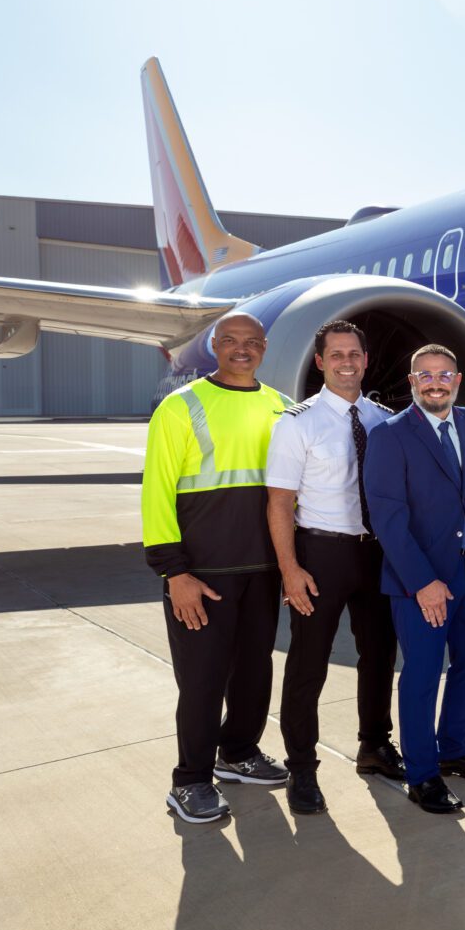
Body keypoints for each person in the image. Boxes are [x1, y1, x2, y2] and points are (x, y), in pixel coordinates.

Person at [142, 313, 293, 825]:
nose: (241, 350)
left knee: (254, 672)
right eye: (230, 341)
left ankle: (239, 753)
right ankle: (189, 781)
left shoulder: (281, 407)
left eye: (252, 343)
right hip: (201, 575)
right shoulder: (179, 407)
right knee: (203, 682)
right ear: (214, 345)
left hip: (263, 570)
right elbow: (156, 493)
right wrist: (173, 573)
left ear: (265, 348)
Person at [266, 319, 401, 815]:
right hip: (321, 554)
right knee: (308, 665)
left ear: (366, 361)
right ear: (320, 361)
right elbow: (279, 503)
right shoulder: (296, 422)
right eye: (336, 354)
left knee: (380, 656)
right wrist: (290, 569)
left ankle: (374, 746)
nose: (347, 362)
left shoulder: (385, 420)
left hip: (376, 553)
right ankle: (301, 768)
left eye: (355, 354)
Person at [364, 344, 465, 816]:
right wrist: (422, 581)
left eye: (443, 374)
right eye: (424, 375)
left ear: (458, 379)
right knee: (423, 676)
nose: (435, 382)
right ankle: (423, 775)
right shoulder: (390, 435)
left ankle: (453, 749)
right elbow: (388, 518)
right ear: (411, 383)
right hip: (419, 580)